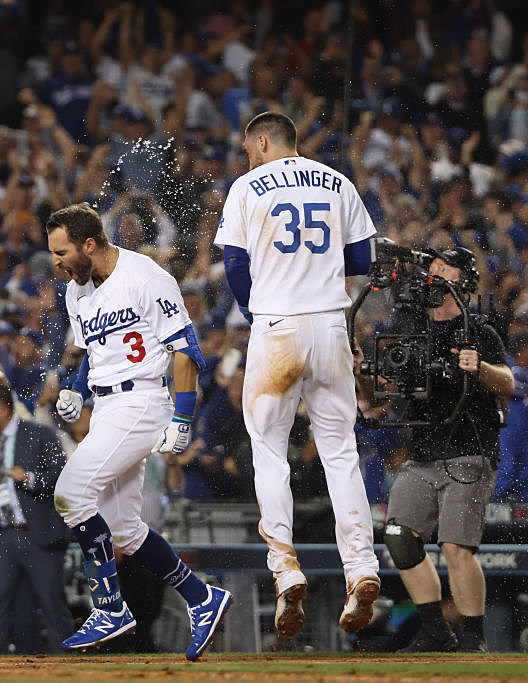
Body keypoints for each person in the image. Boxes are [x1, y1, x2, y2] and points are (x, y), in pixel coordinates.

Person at [214, 111, 381, 642]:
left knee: (269, 451)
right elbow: (362, 259)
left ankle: (286, 569)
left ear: (262, 142)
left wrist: (261, 310)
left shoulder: (246, 186)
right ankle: (362, 569)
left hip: (277, 326)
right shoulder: (337, 181)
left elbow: (235, 265)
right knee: (340, 453)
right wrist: (332, 306)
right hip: (330, 324)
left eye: (249, 148)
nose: (248, 157)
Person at [46, 202, 230, 661]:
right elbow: (94, 348)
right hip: (107, 403)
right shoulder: (77, 290)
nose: (56, 262)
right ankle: (202, 598)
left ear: (90, 244)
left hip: (143, 400)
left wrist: (183, 417)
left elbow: (186, 350)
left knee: (70, 494)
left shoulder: (145, 276)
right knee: (125, 531)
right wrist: (75, 388)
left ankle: (110, 609)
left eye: (62, 251)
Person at [367, 248, 513, 652]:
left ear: (462, 281)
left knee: (455, 547)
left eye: (442, 270)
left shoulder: (478, 329)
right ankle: (434, 630)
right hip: (422, 453)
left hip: (469, 451)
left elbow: (509, 383)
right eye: (431, 269)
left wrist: (478, 366)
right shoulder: (412, 331)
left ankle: (472, 636)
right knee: (398, 535)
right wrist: (366, 370)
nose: (432, 275)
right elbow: (382, 397)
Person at [0, 384, 74, 654]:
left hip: (39, 534)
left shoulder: (40, 434)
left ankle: (71, 666)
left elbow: (62, 476)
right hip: (3, 535)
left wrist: (29, 478)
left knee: (52, 604)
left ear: (2, 411)